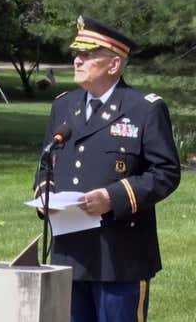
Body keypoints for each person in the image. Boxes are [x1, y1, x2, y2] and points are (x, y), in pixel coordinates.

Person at [33, 16, 181, 322]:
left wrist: (113, 197)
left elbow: (165, 172)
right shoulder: (64, 105)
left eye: (87, 55)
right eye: (77, 54)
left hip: (120, 256)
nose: (77, 60)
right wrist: (45, 198)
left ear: (113, 65)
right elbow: (47, 163)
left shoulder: (144, 108)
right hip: (69, 253)